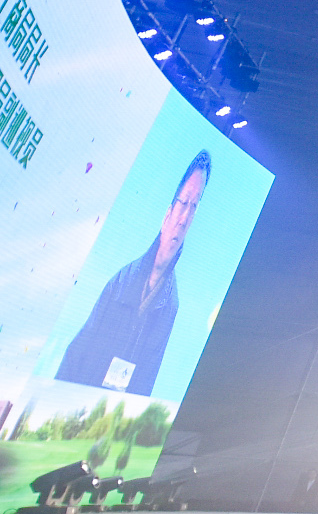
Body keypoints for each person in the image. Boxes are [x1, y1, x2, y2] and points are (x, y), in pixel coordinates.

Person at [57, 151, 210, 396]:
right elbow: (78, 350)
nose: (184, 218)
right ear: (168, 214)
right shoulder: (122, 280)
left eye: (194, 207)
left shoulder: (170, 303)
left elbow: (146, 382)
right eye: (183, 203)